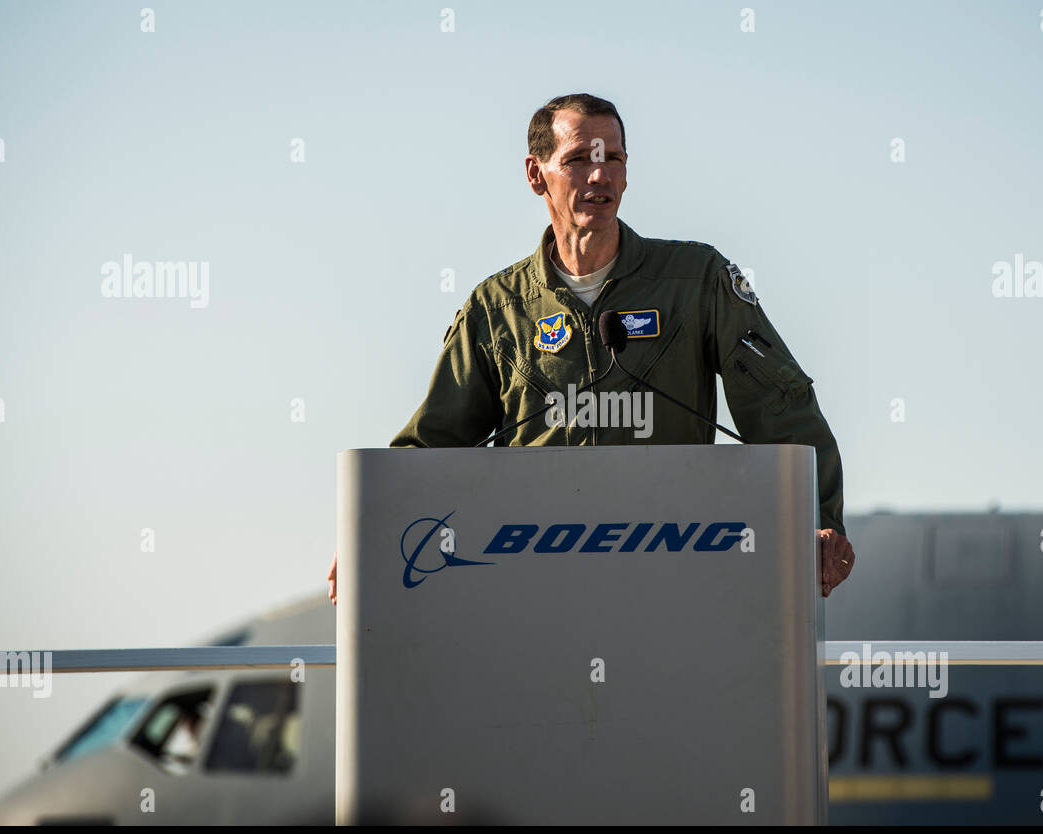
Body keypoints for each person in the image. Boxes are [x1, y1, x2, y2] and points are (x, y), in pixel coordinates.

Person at [328, 93, 853, 602]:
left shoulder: (695, 279)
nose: (600, 176)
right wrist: (369, 534)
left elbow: (781, 406)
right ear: (537, 175)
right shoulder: (498, 306)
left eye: (613, 159)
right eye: (579, 159)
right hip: (531, 588)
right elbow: (432, 444)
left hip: (676, 579)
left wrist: (821, 522)